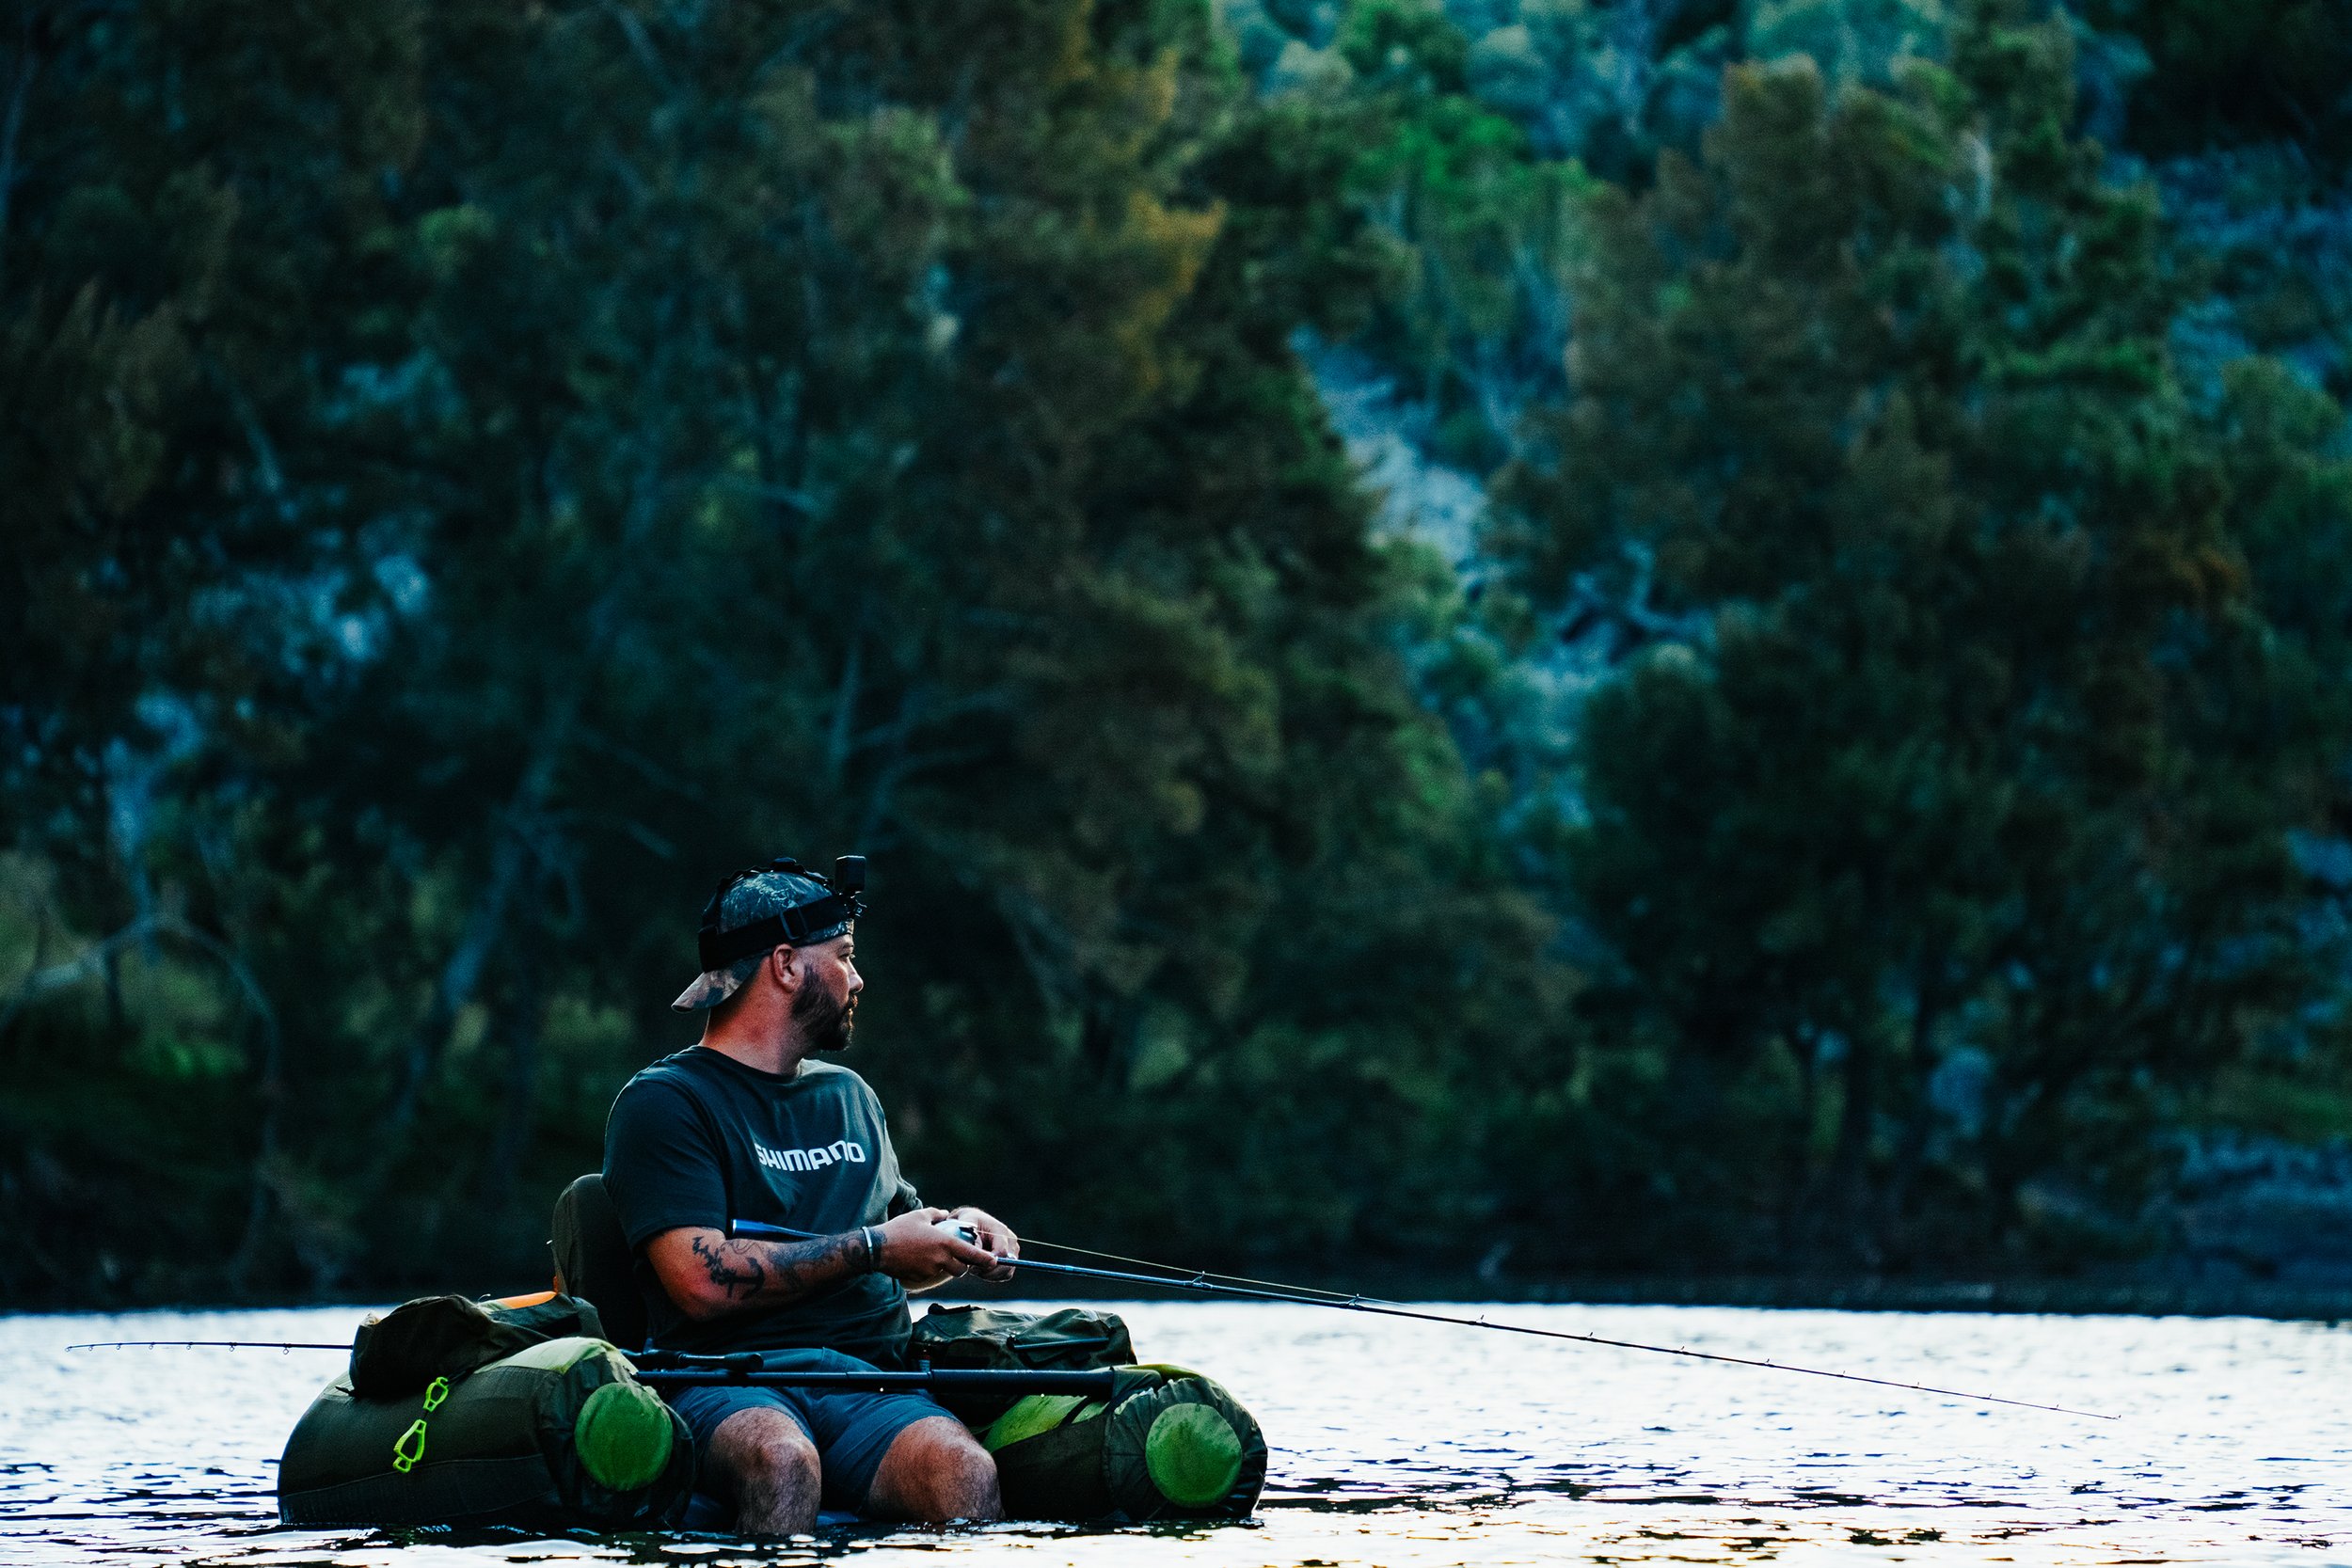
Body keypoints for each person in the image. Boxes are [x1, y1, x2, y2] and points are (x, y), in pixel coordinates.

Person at [602, 858, 1016, 1532]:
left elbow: (902, 1247)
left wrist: (962, 1233)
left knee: (963, 1470)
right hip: (726, 1385)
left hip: (869, 1380)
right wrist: (877, 1247)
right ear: (787, 964)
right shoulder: (664, 1102)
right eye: (845, 955)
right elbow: (698, 1282)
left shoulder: (851, 1097)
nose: (857, 978)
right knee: (783, 1459)